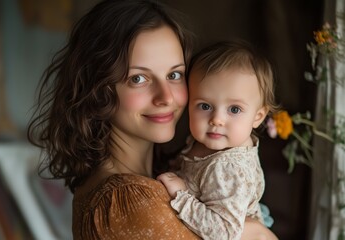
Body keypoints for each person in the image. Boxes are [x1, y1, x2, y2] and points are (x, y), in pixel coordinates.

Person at [27, 0, 278, 239]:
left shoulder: (164, 174)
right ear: (99, 90)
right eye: (138, 78)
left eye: (175, 74)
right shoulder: (127, 202)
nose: (166, 97)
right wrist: (256, 233)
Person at [157, 40, 279, 240]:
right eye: (205, 106)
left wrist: (181, 195)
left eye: (234, 109)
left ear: (258, 116)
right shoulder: (208, 143)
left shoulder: (228, 167)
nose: (217, 120)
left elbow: (223, 233)